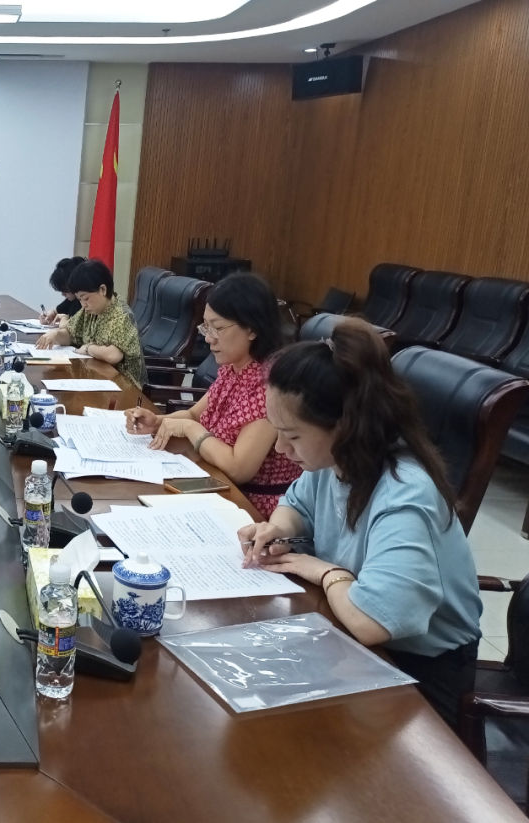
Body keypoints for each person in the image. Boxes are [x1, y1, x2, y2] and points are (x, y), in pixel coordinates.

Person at [240, 318, 481, 727]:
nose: (280, 448)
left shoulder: (406, 493)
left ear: (344, 426)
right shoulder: (336, 460)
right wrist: (277, 529)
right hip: (351, 644)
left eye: (292, 436)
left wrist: (324, 571)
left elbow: (372, 622)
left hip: (421, 677)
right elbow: (296, 505)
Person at [124, 273, 300, 518]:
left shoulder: (270, 385)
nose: (208, 338)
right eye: (206, 326)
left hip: (252, 508)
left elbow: (238, 468)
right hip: (215, 484)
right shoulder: (233, 368)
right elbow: (195, 415)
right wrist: (158, 422)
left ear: (251, 329)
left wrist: (190, 429)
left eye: (217, 328)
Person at [35, 259, 146, 387]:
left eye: (86, 298)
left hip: (124, 386)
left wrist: (88, 348)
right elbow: (71, 334)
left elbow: (113, 355)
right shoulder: (90, 310)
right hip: (97, 376)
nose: (83, 305)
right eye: (80, 300)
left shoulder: (121, 315)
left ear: (103, 290)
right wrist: (55, 335)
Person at [38, 256, 84, 327]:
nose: (63, 294)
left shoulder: (85, 304)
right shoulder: (71, 300)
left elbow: (75, 328)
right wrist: (50, 315)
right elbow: (56, 311)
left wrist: (64, 320)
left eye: (65, 290)